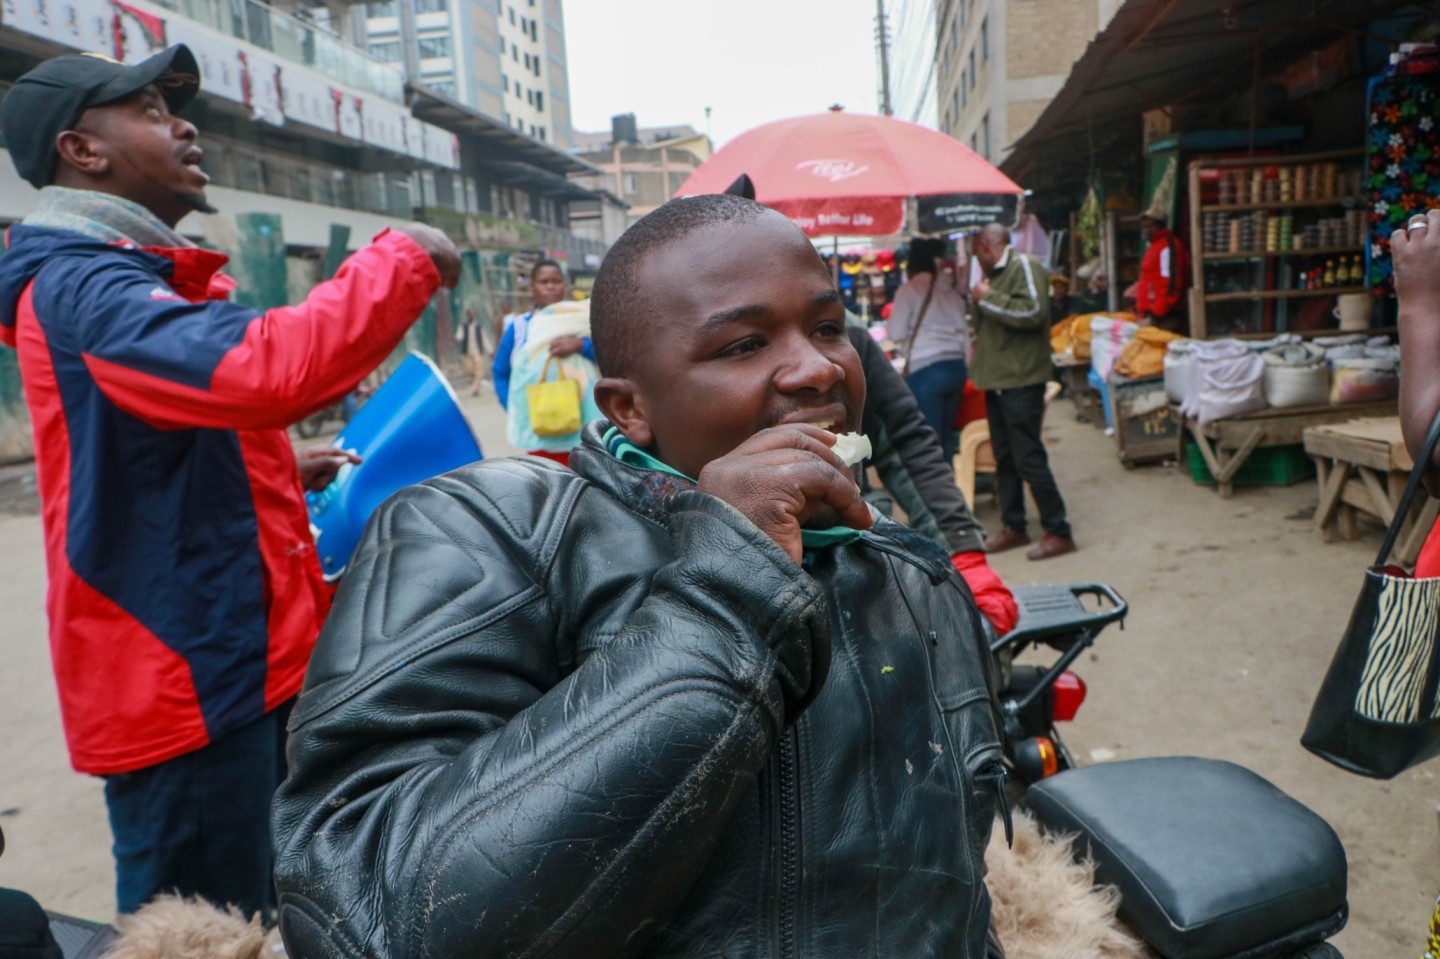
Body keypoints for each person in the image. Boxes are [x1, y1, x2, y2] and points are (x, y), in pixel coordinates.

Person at [272, 194, 1006, 958]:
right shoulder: (484, 531)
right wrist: (732, 592)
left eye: (827, 328)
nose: (819, 367)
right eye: (744, 344)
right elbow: (363, 920)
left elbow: (953, 890)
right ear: (630, 409)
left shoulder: (899, 565)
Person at [0, 46, 459, 918]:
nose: (184, 124)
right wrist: (405, 258)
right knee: (207, 930)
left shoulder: (118, 280)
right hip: (188, 682)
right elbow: (265, 371)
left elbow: (156, 450)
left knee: (270, 901)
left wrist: (280, 468)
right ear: (81, 151)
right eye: (146, 109)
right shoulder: (84, 284)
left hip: (225, 664)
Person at [969, 223, 1076, 561]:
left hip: (1021, 381)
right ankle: (1015, 526)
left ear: (987, 246)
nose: (978, 260)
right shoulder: (995, 277)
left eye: (977, 252)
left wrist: (987, 297)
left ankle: (1059, 530)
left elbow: (1033, 311)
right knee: (1005, 458)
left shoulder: (1024, 266)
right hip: (999, 381)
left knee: (1028, 456)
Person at [887, 237, 972, 462]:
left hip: (926, 372)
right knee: (945, 438)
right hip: (956, 370)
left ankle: (938, 494)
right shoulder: (952, 291)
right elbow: (964, 333)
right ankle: (950, 488)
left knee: (928, 443)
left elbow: (894, 333)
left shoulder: (910, 289)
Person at [1134, 208, 1190, 334]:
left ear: (1159, 225)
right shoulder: (1156, 246)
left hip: (1165, 315)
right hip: (1154, 314)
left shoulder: (1168, 247)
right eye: (1143, 227)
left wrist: (1155, 316)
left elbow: (1172, 285)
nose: (1145, 231)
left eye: (1148, 227)